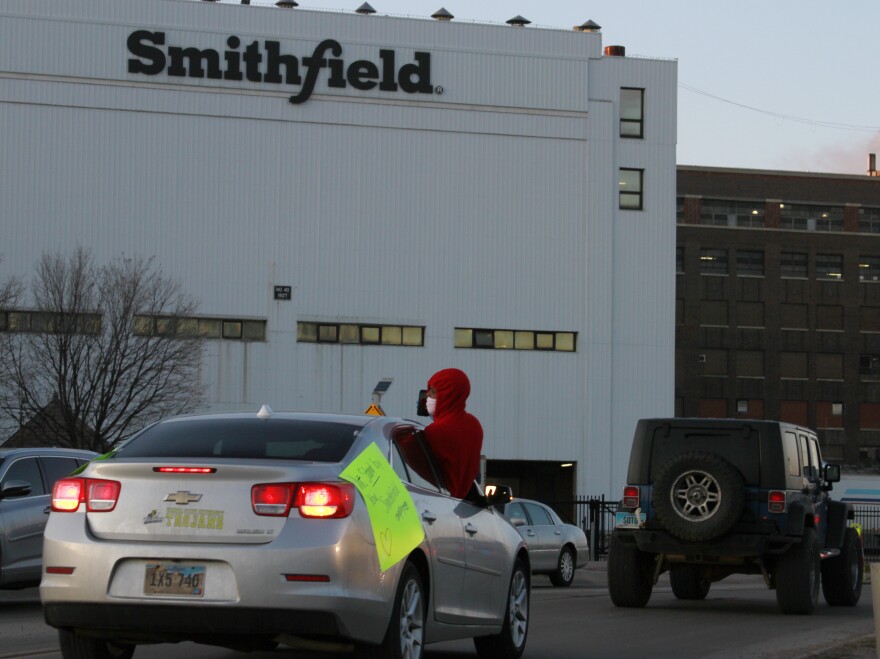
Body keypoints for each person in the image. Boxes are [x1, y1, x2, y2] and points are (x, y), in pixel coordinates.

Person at [422, 368, 483, 499]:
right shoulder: (474, 425)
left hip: (437, 500)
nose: (427, 395)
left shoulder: (436, 431)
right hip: (463, 502)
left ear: (447, 395)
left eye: (433, 392)